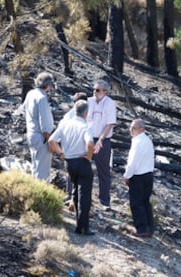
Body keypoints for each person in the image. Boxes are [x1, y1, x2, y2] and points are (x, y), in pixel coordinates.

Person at [48, 100, 95, 236]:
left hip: (69, 162)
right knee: (84, 195)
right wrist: (89, 156)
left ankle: (77, 225)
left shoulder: (65, 124)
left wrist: (61, 153)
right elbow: (90, 143)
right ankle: (83, 228)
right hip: (82, 161)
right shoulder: (85, 126)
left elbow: (51, 140)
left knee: (75, 191)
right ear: (86, 113)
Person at [87, 79, 117, 210]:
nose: (95, 92)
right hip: (88, 138)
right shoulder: (89, 101)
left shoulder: (110, 104)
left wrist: (100, 140)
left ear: (105, 91)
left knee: (103, 171)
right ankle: (72, 194)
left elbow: (110, 124)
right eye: (94, 89)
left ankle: (104, 200)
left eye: (98, 90)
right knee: (79, 165)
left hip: (103, 141)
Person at [123, 119, 155, 238]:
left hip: (139, 176)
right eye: (131, 127)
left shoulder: (137, 142)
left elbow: (132, 163)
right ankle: (149, 228)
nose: (131, 130)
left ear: (142, 129)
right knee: (145, 202)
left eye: (134, 128)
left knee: (136, 203)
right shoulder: (147, 140)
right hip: (148, 175)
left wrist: (127, 176)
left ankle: (141, 229)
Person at [23, 72, 55, 183]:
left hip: (31, 133)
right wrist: (49, 140)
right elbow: (45, 123)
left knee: (35, 166)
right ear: (48, 84)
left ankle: (34, 191)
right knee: (42, 170)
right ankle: (40, 196)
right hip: (41, 137)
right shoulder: (42, 98)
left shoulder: (31, 93)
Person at [59, 92, 88, 203]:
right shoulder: (75, 116)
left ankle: (70, 195)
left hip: (70, 146)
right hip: (78, 147)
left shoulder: (69, 116)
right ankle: (74, 196)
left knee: (71, 172)